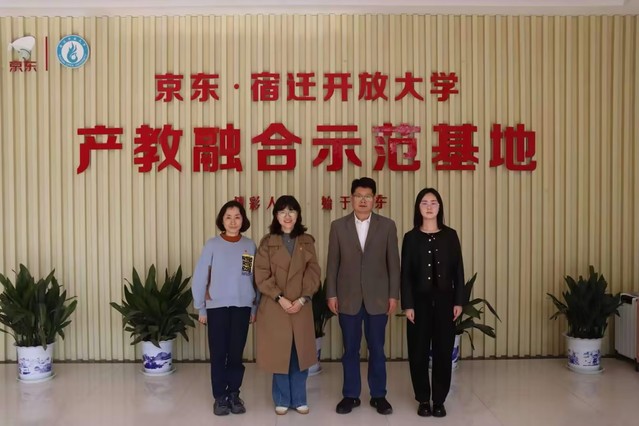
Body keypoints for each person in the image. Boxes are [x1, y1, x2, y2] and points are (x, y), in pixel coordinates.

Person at [326, 177, 400, 415]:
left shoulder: (387, 226)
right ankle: (350, 395)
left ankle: (379, 395)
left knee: (377, 348)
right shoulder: (338, 226)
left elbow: (394, 265)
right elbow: (332, 264)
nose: (363, 200)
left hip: (378, 298)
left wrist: (393, 295)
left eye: (368, 196)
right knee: (350, 349)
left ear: (375, 199)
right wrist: (331, 294)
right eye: (359, 196)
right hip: (348, 297)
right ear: (351, 198)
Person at [400, 188, 465, 418]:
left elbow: (458, 270)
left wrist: (459, 301)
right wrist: (408, 304)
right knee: (417, 351)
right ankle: (422, 399)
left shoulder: (450, 235)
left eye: (433, 202)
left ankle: (439, 400)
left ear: (440, 207)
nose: (429, 207)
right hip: (419, 303)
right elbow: (406, 274)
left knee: (443, 351)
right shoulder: (411, 237)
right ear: (418, 208)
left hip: (446, 302)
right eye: (424, 202)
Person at [254, 195, 321, 415]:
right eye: (282, 211)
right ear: (276, 216)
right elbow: (261, 274)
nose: (287, 215)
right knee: (280, 354)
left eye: (292, 211)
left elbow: (313, 272)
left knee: (299, 353)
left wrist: (302, 298)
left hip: (301, 305)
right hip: (276, 306)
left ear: (298, 214)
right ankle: (282, 398)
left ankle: (299, 398)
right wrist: (279, 297)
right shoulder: (268, 242)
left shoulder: (306, 241)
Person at [191, 200, 259, 416]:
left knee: (236, 354)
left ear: (243, 220)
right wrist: (201, 308)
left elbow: (250, 276)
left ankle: (234, 394)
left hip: (242, 307)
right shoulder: (212, 245)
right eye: (228, 217)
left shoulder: (249, 246)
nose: (232, 221)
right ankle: (220, 396)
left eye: (237, 217)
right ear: (222, 220)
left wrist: (253, 308)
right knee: (219, 354)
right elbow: (201, 277)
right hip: (217, 308)